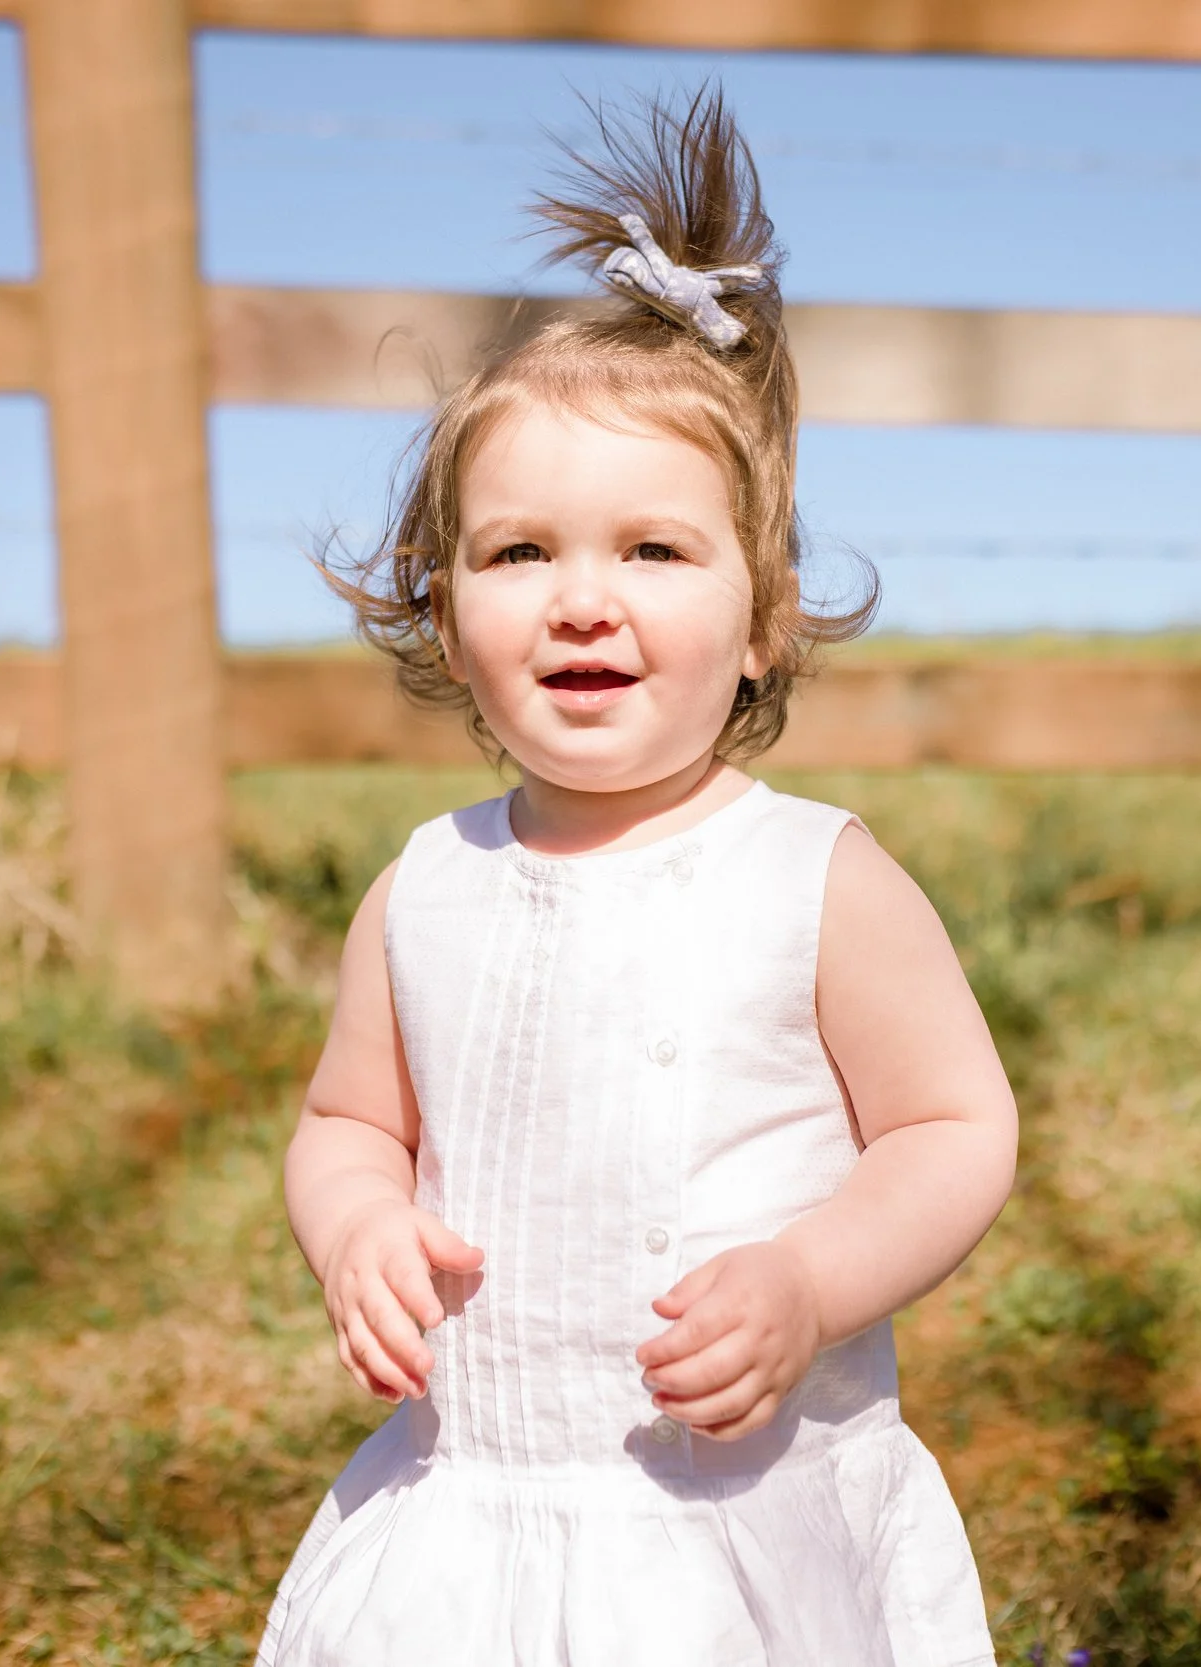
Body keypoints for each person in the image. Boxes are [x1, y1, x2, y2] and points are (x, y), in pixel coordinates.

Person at [257, 86, 1018, 1667]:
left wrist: (814, 1277)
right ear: (443, 610)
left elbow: (955, 1126)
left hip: (731, 1520)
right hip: (474, 1518)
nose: (583, 601)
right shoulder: (425, 887)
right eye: (519, 551)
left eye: (653, 552)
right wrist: (357, 1229)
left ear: (760, 619)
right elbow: (350, 1120)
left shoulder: (814, 875)